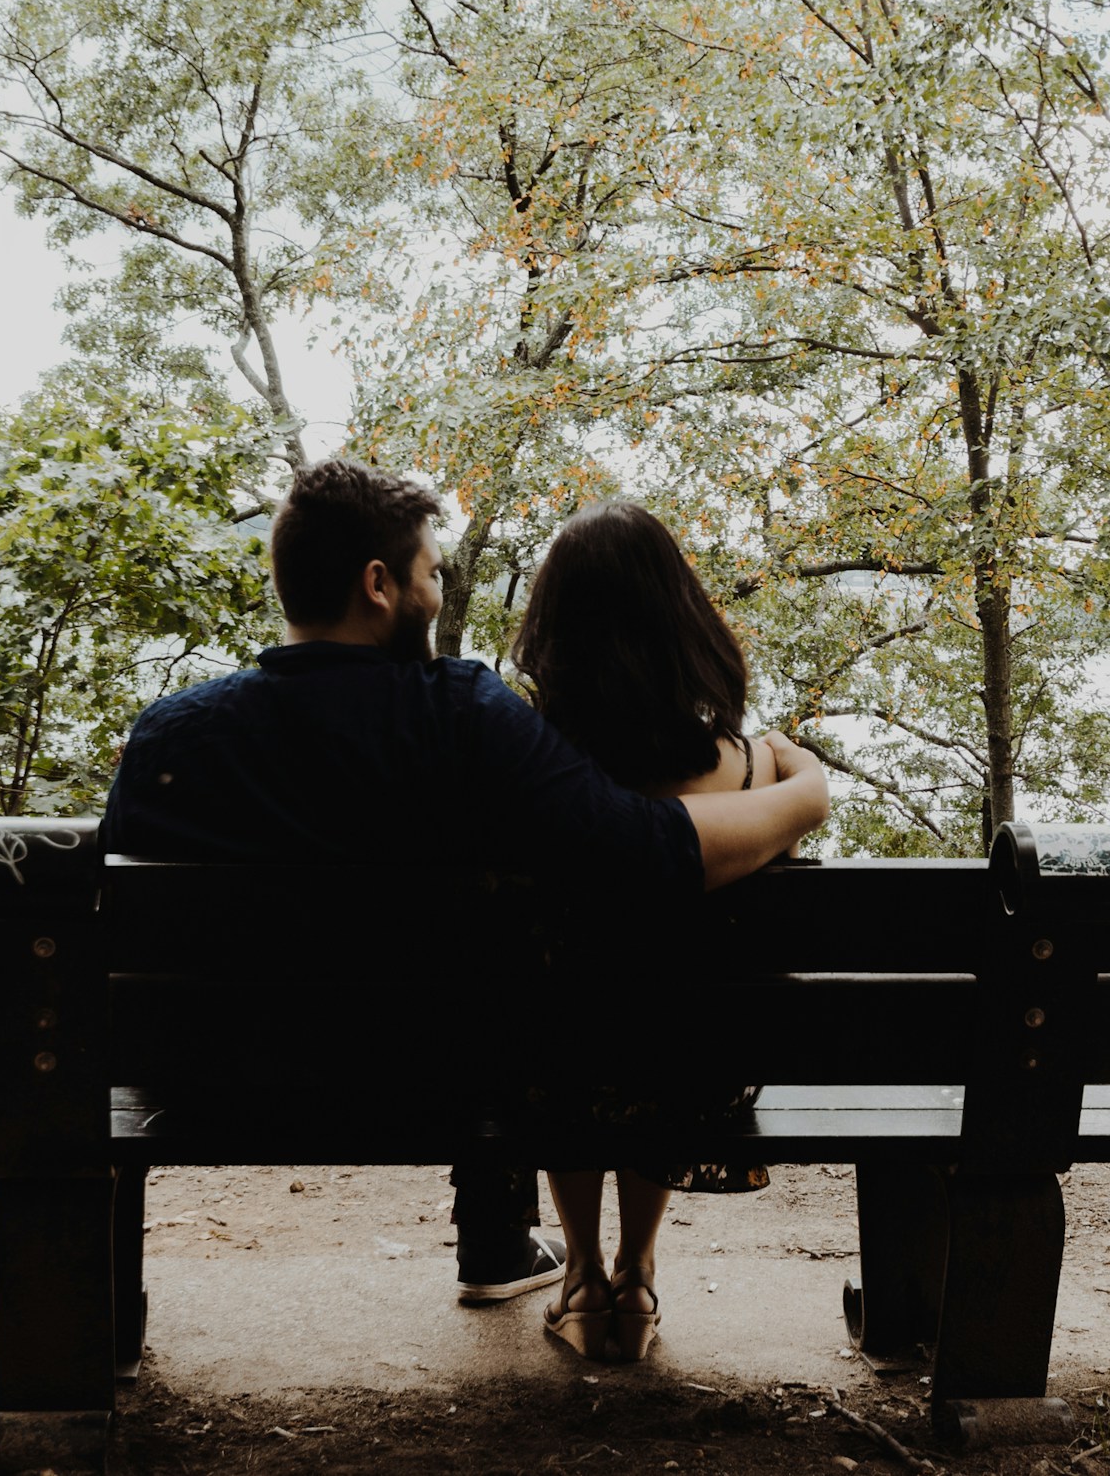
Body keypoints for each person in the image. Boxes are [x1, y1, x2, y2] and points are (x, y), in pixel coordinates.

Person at [100, 458, 829, 1308]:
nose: (438, 591)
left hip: (197, 1082)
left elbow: (120, 924)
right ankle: (506, 1243)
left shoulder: (169, 737)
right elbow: (643, 850)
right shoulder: (460, 717)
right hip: (421, 1083)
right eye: (431, 572)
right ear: (379, 585)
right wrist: (803, 795)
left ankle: (101, 1321)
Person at [507, 500, 786, 1363]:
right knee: (662, 1027)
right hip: (695, 1074)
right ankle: (637, 1273)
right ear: (683, 621)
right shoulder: (748, 767)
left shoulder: (530, 768)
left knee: (564, 1032)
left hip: (550, 1070)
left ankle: (583, 1276)